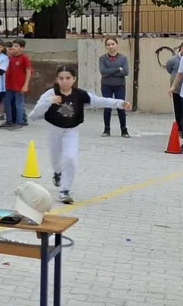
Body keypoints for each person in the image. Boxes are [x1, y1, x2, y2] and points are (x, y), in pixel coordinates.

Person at [28, 64, 127, 203]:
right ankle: (58, 173)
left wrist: (119, 103)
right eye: (61, 78)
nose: (64, 81)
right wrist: (48, 102)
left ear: (74, 79)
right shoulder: (50, 94)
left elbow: (99, 100)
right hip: (54, 129)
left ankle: (64, 191)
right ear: (57, 79)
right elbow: (35, 113)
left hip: (71, 130)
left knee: (70, 158)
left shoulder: (80, 94)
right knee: (55, 160)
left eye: (68, 78)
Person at [98, 37, 130, 137]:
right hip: (106, 85)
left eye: (112, 44)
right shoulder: (102, 58)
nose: (111, 47)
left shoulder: (123, 58)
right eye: (108, 45)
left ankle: (124, 130)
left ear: (117, 45)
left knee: (121, 106)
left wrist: (110, 72)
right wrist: (118, 69)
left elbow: (125, 72)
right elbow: (103, 71)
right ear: (106, 46)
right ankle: (106, 129)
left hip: (119, 86)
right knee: (107, 107)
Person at [3, 39, 33, 128]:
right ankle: (9, 121)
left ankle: (19, 122)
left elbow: (28, 71)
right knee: (6, 102)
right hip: (9, 84)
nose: (13, 47)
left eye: (16, 46)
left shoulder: (24, 57)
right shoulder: (10, 57)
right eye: (13, 45)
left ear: (22, 48)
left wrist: (26, 85)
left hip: (19, 85)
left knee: (19, 104)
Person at [165, 39, 183, 128]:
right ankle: (179, 128)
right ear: (180, 49)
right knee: (178, 110)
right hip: (177, 90)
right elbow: (169, 69)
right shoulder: (173, 60)